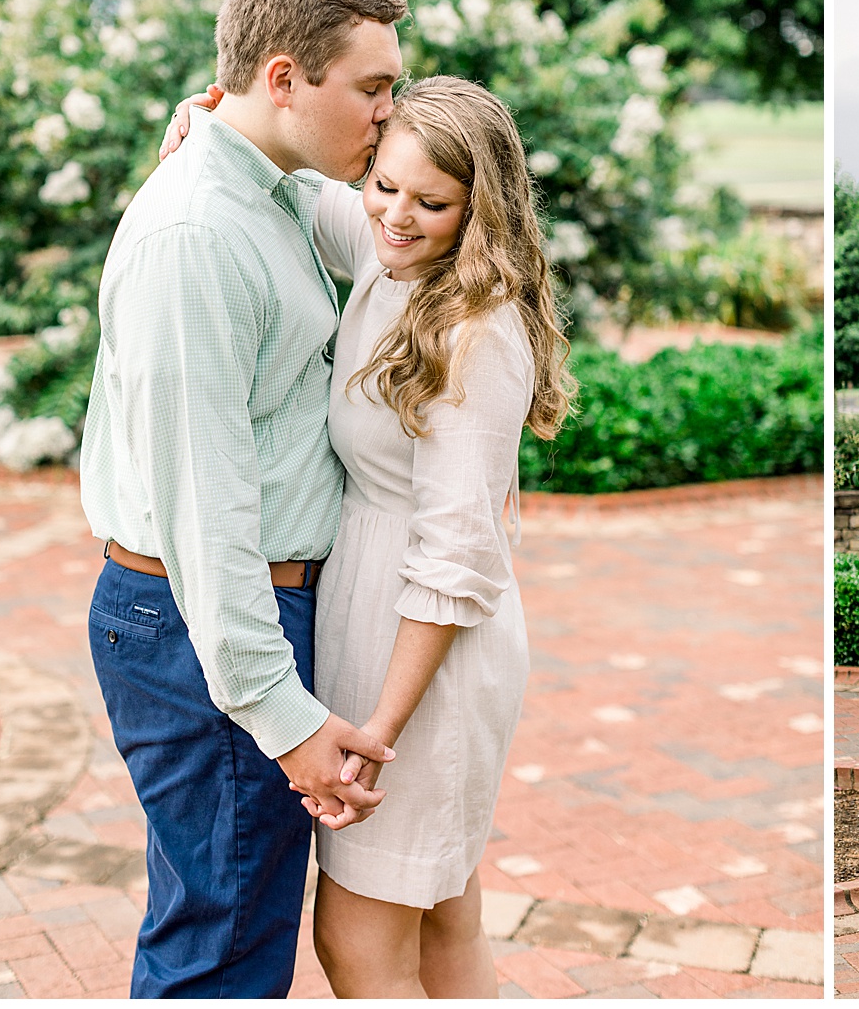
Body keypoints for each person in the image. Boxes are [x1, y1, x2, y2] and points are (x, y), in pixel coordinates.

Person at [165, 75, 572, 997]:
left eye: (431, 202)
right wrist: (211, 118)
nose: (394, 215)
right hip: (369, 616)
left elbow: (455, 562)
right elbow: (306, 192)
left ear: (479, 209)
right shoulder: (393, 253)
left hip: (424, 655)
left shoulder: (475, 329)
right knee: (443, 922)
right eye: (384, 185)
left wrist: (379, 731)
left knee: (358, 938)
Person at [81, 0, 405, 997]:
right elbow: (204, 511)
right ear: (283, 78)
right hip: (206, 625)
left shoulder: (270, 188)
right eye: (372, 88)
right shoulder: (197, 234)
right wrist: (283, 715)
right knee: (218, 958)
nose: (386, 116)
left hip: (227, 621)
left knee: (230, 933)